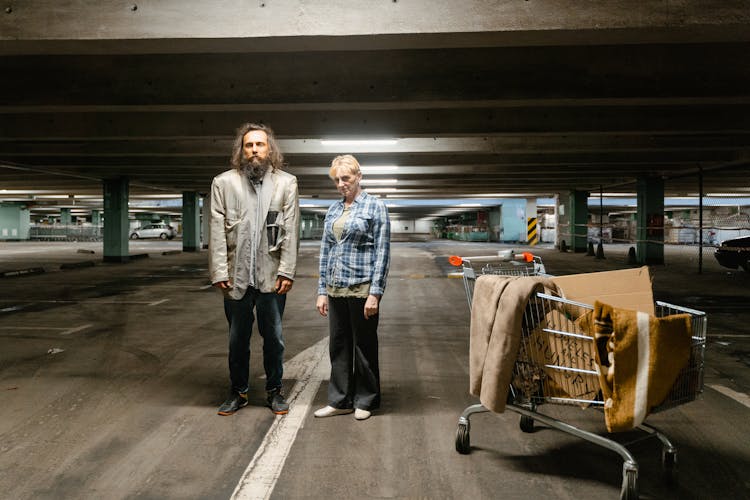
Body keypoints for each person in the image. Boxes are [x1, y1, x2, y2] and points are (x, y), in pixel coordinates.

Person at [209, 122, 300, 416]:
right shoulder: (223, 183)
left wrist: (287, 271)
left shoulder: (287, 183)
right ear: (242, 151)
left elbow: (292, 231)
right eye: (249, 145)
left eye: (259, 145)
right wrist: (219, 272)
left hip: (271, 278)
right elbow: (216, 232)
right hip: (236, 277)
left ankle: (275, 391)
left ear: (269, 149)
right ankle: (238, 392)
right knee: (237, 340)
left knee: (274, 338)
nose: (254, 150)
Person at [314, 154, 391, 421]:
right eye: (336, 180)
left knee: (364, 346)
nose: (341, 184)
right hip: (336, 288)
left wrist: (375, 293)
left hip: (361, 287)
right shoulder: (334, 210)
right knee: (339, 346)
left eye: (345, 178)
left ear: (358, 176)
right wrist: (322, 290)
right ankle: (340, 400)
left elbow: (382, 252)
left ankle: (366, 400)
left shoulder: (375, 207)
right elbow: (325, 250)